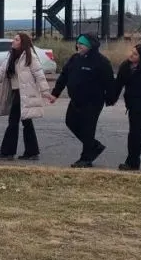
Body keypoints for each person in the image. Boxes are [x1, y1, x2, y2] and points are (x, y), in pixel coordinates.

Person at [0, 33, 51, 161]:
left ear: (23, 42)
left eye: (16, 39)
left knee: (14, 122)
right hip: (16, 93)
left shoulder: (30, 56)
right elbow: (1, 71)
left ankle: (9, 152)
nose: (13, 41)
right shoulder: (11, 56)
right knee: (26, 122)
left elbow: (39, 75)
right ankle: (31, 152)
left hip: (25, 94)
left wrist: (45, 91)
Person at [49, 33, 115, 168]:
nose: (78, 45)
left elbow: (110, 83)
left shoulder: (102, 62)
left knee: (88, 129)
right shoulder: (74, 58)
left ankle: (86, 159)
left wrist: (110, 99)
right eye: (78, 43)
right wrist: (55, 93)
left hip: (93, 102)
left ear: (91, 45)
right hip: (75, 100)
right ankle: (94, 146)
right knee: (70, 122)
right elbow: (64, 76)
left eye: (82, 44)